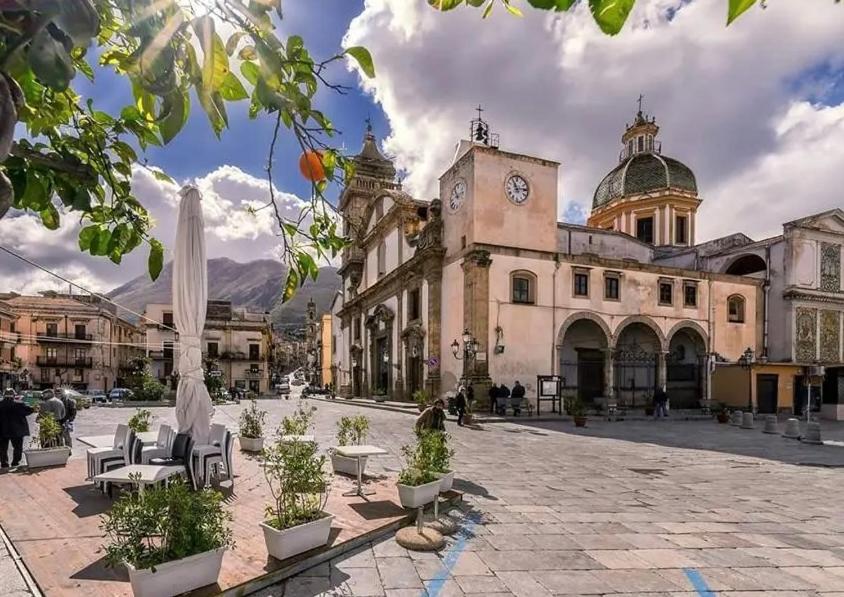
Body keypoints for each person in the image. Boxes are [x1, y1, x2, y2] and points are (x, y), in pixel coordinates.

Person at [0, 390, 34, 469]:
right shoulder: (19, 404)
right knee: (18, 447)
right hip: (17, 430)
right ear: (14, 395)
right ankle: (15, 462)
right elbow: (29, 410)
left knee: (2, 448)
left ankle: (4, 464)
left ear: (4, 395)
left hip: (2, 430)